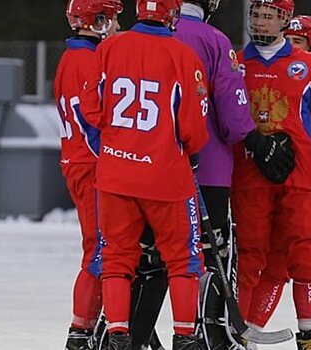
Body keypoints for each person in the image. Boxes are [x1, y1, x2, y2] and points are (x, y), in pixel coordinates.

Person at [125, 0, 296, 348]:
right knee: (206, 255)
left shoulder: (130, 39)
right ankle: (206, 335)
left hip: (140, 168)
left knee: (149, 257)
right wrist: (256, 142)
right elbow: (232, 113)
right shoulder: (214, 40)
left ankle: (129, 335)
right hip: (206, 170)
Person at [79, 0, 211, 348]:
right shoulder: (183, 56)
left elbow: (90, 108)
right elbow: (194, 128)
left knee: (116, 258)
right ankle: (185, 336)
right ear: (171, 15)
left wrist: (116, 142)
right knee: (183, 259)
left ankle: (118, 333)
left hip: (115, 174)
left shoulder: (108, 48)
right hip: (166, 178)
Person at [232, 2, 311, 350]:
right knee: (251, 256)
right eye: (256, 15)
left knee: (303, 256)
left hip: (299, 179)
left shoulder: (310, 67)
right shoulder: (238, 63)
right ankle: (240, 334)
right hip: (250, 178)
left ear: (282, 20)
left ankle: (309, 335)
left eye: (268, 16)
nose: (260, 21)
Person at [53, 1, 122, 349]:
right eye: (110, 18)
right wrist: (115, 159)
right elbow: (90, 120)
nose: (116, 25)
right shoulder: (87, 60)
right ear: (94, 21)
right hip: (91, 164)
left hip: (79, 161)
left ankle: (91, 327)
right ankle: (80, 331)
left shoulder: (73, 57)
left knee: (101, 247)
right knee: (99, 250)